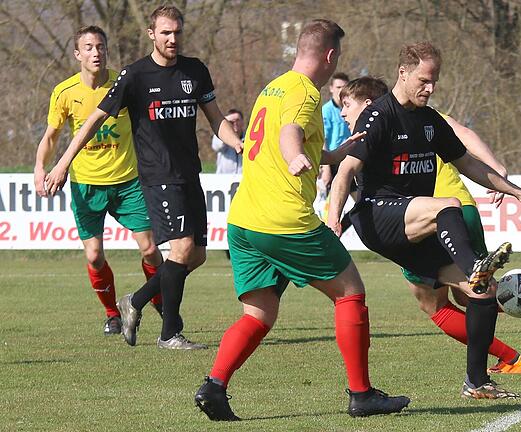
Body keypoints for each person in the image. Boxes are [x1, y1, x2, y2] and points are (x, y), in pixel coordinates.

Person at [193, 19, 410, 422]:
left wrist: (333, 153)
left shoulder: (273, 87)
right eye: (338, 58)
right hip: (283, 220)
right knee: (350, 292)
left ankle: (215, 386)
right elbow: (289, 134)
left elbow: (287, 136)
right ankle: (362, 395)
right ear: (330, 56)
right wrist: (295, 155)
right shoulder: (306, 94)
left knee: (258, 315)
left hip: (244, 222)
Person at [327, 42, 521, 399]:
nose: (430, 88)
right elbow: (345, 172)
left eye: (434, 82)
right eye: (424, 80)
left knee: (482, 293)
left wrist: (519, 192)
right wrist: (333, 220)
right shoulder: (379, 115)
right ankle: (475, 265)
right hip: (376, 214)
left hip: (412, 222)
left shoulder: (430, 121)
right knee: (446, 205)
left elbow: (469, 164)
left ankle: (477, 382)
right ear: (403, 73)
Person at [44, 6, 243, 350]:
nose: (172, 38)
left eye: (177, 32)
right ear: (152, 34)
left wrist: (240, 142)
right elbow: (93, 121)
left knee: (196, 256)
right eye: (165, 32)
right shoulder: (134, 75)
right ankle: (169, 333)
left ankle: (133, 301)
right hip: (156, 177)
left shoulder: (195, 70)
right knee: (178, 249)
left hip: (190, 174)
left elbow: (216, 118)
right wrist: (63, 162)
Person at [33, 25, 164, 336]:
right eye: (89, 47)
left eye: (101, 46)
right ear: (78, 54)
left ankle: (160, 303)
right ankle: (112, 313)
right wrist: (41, 166)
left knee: (149, 249)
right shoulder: (65, 92)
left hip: (128, 181)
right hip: (86, 184)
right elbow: (51, 136)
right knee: (93, 255)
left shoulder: (125, 83)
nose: (96, 52)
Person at [211, 109, 244, 174]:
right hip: (224, 179)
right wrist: (225, 123)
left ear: (242, 122)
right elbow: (217, 146)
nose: (235, 123)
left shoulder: (248, 137)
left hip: (242, 178)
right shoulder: (221, 136)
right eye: (231, 122)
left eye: (237, 120)